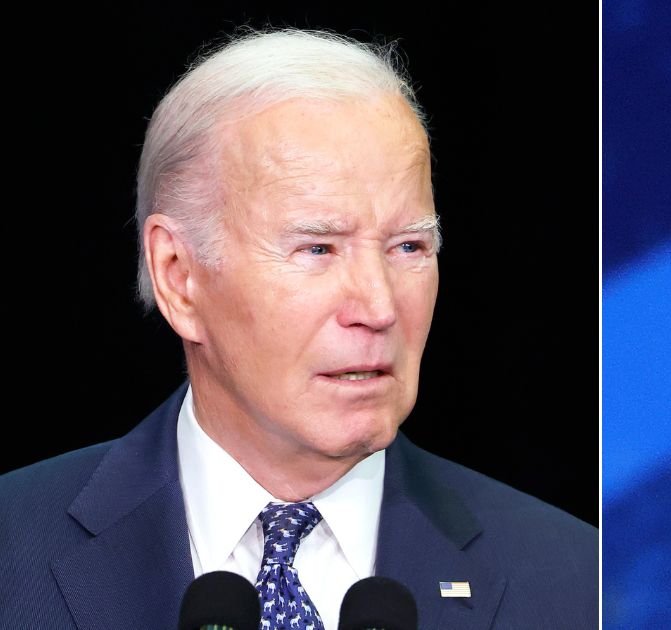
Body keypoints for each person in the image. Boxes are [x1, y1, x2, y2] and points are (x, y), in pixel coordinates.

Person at [0, 29, 596, 629]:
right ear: (178, 276)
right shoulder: (12, 551)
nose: (379, 305)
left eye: (408, 246)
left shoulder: (578, 582)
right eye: (318, 248)